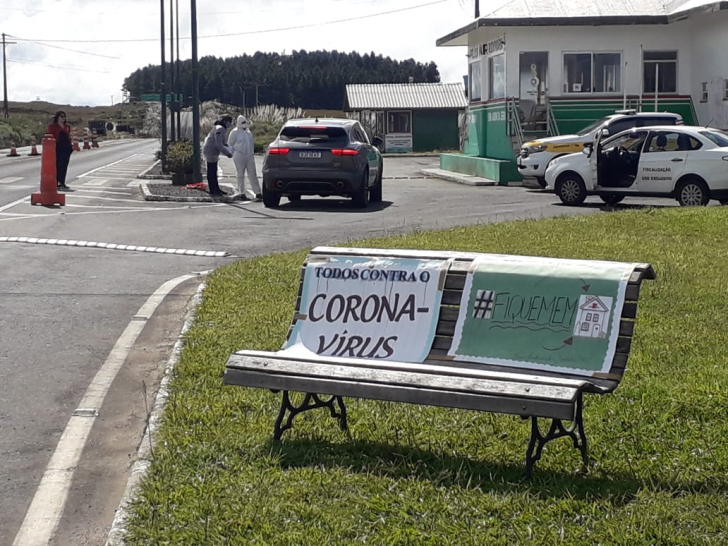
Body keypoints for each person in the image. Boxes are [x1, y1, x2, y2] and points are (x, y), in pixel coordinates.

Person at [227, 115, 261, 201]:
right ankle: (242, 193)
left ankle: (258, 192)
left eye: (245, 122)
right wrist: (231, 153)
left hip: (249, 155)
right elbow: (230, 144)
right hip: (239, 154)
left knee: (253, 174)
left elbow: (251, 144)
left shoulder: (248, 132)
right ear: (238, 123)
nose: (244, 124)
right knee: (240, 174)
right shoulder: (234, 132)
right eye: (242, 122)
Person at [202, 115, 234, 196]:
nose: (230, 124)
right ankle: (213, 190)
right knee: (212, 171)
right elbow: (218, 144)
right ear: (225, 121)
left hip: (212, 151)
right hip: (210, 151)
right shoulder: (220, 128)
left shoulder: (219, 128)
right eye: (229, 122)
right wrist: (228, 153)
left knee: (213, 170)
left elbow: (222, 143)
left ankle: (216, 188)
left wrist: (226, 146)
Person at [47, 110, 73, 190]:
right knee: (58, 165)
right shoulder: (53, 126)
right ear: (57, 117)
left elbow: (68, 136)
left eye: (64, 116)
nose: (63, 118)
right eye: (61, 116)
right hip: (58, 147)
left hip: (66, 148)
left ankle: (62, 181)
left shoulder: (67, 127)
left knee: (64, 165)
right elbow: (51, 135)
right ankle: (56, 181)